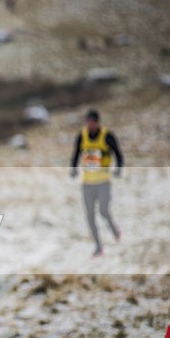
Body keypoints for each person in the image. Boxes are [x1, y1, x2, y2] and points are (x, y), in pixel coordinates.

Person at [70, 109, 124, 257]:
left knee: (103, 211)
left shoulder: (107, 136)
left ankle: (114, 230)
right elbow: (76, 154)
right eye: (87, 122)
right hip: (87, 183)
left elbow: (118, 154)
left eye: (92, 122)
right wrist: (73, 169)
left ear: (97, 122)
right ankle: (98, 247)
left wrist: (119, 169)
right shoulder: (82, 136)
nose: (90, 125)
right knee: (90, 216)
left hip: (103, 182)